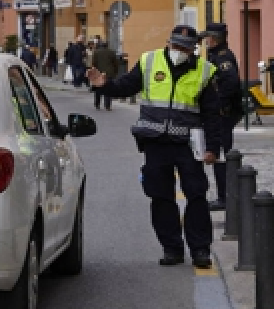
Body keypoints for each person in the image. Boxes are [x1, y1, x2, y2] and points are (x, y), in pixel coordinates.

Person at [87, 25, 226, 269]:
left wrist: (213, 148)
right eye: (175, 46)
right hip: (155, 143)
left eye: (184, 48)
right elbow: (126, 87)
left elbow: (213, 115)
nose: (178, 51)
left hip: (188, 145)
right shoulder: (149, 61)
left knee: (196, 195)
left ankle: (200, 249)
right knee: (161, 197)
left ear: (193, 49)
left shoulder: (205, 71)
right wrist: (103, 85)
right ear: (168, 43)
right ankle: (171, 248)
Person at [202, 23, 243, 211]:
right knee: (220, 156)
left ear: (214, 38)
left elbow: (231, 82)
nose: (205, 42)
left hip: (223, 114)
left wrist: (218, 104)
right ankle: (224, 196)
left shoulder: (223, 57)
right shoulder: (215, 55)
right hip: (223, 113)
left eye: (207, 38)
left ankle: (225, 198)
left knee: (221, 157)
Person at [90, 40, 119, 111]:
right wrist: (115, 72)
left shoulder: (96, 52)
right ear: (107, 45)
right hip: (109, 74)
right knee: (108, 89)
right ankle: (107, 106)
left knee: (98, 90)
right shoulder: (111, 52)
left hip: (99, 74)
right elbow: (115, 63)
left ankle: (97, 104)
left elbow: (93, 63)